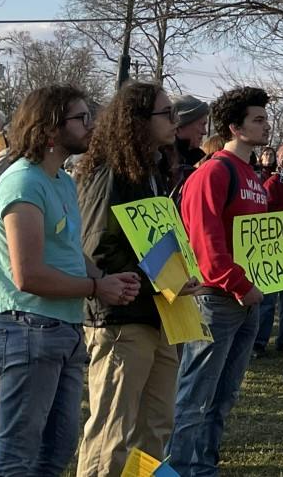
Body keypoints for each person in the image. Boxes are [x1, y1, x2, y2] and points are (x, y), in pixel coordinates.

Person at [0, 85, 137, 477]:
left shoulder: (62, 181)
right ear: (50, 129)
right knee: (18, 452)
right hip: (26, 328)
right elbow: (28, 275)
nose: (91, 126)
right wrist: (96, 288)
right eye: (81, 119)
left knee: (56, 450)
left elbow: (68, 249)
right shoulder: (23, 184)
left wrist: (104, 278)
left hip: (62, 329)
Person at [73, 81, 185, 477]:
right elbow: (97, 249)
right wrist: (157, 277)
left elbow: (156, 242)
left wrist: (178, 273)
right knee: (112, 431)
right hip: (122, 319)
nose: (176, 121)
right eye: (166, 113)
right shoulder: (110, 172)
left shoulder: (154, 171)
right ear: (136, 120)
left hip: (161, 314)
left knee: (155, 427)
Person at [172, 86, 272, 477]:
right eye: (258, 119)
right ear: (234, 126)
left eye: (265, 118)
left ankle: (203, 465)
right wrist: (241, 286)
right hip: (217, 300)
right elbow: (207, 244)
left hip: (248, 301)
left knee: (224, 395)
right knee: (196, 395)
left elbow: (262, 239)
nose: (266, 126)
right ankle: (178, 468)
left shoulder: (252, 173)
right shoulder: (214, 172)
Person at [251, 141, 283, 358]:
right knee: (268, 300)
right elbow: (263, 212)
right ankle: (259, 343)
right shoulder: (273, 184)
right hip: (274, 247)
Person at [168, 95, 209, 195]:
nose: (205, 132)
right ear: (180, 126)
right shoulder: (160, 162)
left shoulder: (200, 161)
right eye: (202, 124)